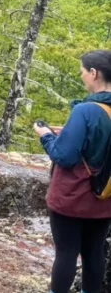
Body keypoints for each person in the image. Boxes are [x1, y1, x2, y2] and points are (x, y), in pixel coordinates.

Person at [35, 50, 111, 293]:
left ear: (93, 73)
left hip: (73, 196)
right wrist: (69, 131)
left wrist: (46, 135)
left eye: (82, 72)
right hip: (106, 196)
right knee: (94, 252)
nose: (81, 77)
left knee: (67, 252)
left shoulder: (85, 111)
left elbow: (64, 156)